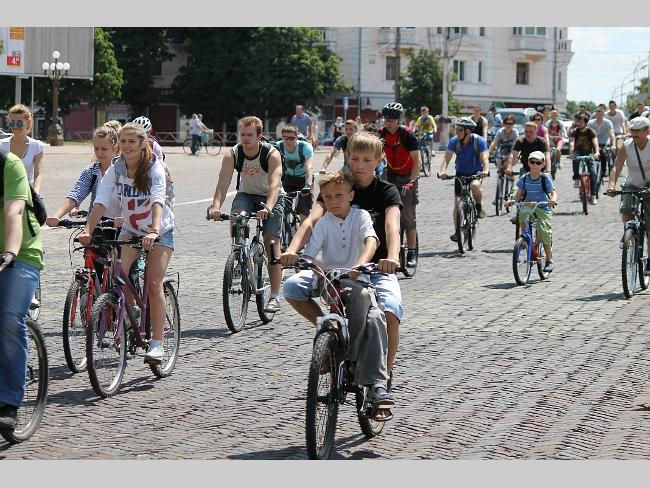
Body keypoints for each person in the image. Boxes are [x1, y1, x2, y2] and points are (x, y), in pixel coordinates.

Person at [280, 131, 403, 388]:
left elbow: (392, 227)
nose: (360, 166)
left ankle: (384, 374)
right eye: (355, 158)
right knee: (292, 288)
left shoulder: (387, 191)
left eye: (367, 160)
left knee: (390, 311)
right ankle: (330, 330)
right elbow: (311, 221)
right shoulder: (336, 185)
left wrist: (392, 257)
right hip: (334, 270)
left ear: (379, 160)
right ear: (347, 156)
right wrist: (292, 250)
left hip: (375, 268)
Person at [283, 169, 393, 417]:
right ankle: (334, 339)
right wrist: (305, 261)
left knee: (375, 317)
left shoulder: (361, 216)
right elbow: (311, 254)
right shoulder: (323, 224)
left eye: (339, 196)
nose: (333, 201)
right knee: (291, 287)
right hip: (329, 281)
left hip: (358, 280)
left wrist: (359, 265)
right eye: (327, 197)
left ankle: (376, 384)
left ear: (351, 195)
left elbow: (371, 240)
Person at [78, 123, 175, 363]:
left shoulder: (154, 167)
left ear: (143, 144)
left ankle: (157, 343)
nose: (127, 146)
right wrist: (88, 229)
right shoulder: (116, 168)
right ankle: (133, 311)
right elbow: (101, 201)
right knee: (118, 273)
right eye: (123, 141)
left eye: (132, 141)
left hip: (159, 230)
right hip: (130, 229)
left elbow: (158, 200)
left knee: (153, 283)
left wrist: (154, 230)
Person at [208, 116, 284, 313]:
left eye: (250, 135)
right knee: (236, 217)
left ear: (259, 136)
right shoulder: (233, 154)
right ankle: (239, 256)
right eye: (242, 135)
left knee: (271, 242)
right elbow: (223, 183)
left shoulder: (271, 154)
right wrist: (215, 207)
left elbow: (275, 184)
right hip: (246, 194)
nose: (245, 139)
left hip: (271, 196)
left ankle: (275, 296)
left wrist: (268, 208)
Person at [0, 148, 44, 428]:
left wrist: (10, 252)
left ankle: (9, 402)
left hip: (22, 252)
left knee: (7, 319)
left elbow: (14, 211)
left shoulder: (10, 164)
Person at [46, 126, 122, 226]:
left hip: (123, 222)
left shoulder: (125, 169)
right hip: (97, 222)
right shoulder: (91, 171)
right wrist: (56, 215)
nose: (99, 153)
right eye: (96, 148)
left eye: (104, 149)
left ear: (115, 148)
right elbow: (77, 193)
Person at [378, 102, 421, 267]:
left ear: (399, 120)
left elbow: (417, 162)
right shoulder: (381, 134)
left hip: (407, 177)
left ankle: (411, 252)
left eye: (392, 120)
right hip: (390, 175)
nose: (388, 123)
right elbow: (375, 153)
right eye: (386, 119)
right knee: (383, 211)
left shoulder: (407, 136)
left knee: (408, 216)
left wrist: (411, 182)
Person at [606, 116, 650, 274]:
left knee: (649, 224)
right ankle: (629, 236)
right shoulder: (626, 146)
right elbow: (617, 167)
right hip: (632, 184)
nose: (634, 133)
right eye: (632, 130)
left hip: (649, 186)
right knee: (625, 210)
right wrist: (611, 186)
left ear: (647, 131)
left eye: (638, 131)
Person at [505, 151, 558, 272]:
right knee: (522, 216)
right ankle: (525, 239)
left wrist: (553, 200)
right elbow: (518, 195)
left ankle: (549, 259)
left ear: (543, 164)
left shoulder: (545, 178)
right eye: (532, 162)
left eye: (538, 163)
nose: (535, 165)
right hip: (528, 204)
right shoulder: (524, 178)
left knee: (544, 231)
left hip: (542, 206)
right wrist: (512, 201)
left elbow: (553, 193)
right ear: (528, 163)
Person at [438, 117, 490, 235]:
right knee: (457, 203)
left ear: (467, 131)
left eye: (459, 130)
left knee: (474, 186)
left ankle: (478, 206)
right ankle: (457, 232)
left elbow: (485, 158)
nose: (456, 132)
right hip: (460, 173)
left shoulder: (479, 141)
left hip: (476, 173)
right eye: (456, 129)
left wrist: (486, 170)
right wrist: (442, 171)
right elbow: (446, 158)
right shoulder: (454, 141)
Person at [0, 104, 44, 194]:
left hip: (27, 193)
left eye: (19, 123)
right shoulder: (1, 145)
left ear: (27, 123)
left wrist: (36, 192)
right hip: (5, 193)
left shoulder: (37, 146)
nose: (15, 126)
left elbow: (37, 174)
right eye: (12, 122)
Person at [276, 125, 314, 222]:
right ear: (282, 137)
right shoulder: (277, 146)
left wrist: (308, 184)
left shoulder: (305, 147)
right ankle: (286, 226)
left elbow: (309, 166)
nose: (288, 141)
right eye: (285, 138)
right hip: (287, 178)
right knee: (281, 207)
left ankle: (302, 229)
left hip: (303, 178)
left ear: (296, 137)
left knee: (303, 211)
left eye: (291, 138)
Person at [569, 113, 600, 204]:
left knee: (593, 173)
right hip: (577, 152)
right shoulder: (574, 131)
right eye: (577, 122)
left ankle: (593, 195)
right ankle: (576, 178)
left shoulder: (591, 131)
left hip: (588, 152)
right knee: (575, 159)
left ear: (586, 123)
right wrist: (571, 152)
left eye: (581, 122)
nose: (578, 124)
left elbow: (595, 143)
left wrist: (597, 152)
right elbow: (571, 143)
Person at [488, 114, 519, 187]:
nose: (508, 125)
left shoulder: (515, 132)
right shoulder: (500, 132)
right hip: (501, 153)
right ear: (504, 124)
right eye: (507, 123)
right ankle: (500, 186)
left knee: (507, 166)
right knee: (500, 168)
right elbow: (494, 143)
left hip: (512, 153)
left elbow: (516, 145)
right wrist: (489, 153)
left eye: (510, 123)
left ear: (513, 124)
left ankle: (512, 182)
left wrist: (512, 155)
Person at [588, 107, 616, 183]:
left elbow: (612, 134)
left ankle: (603, 171)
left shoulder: (608, 122)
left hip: (604, 143)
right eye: (597, 114)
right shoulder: (591, 123)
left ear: (603, 114)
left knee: (603, 154)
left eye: (601, 114)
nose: (599, 116)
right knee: (589, 155)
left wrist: (613, 145)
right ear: (595, 114)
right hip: (593, 143)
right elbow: (588, 134)